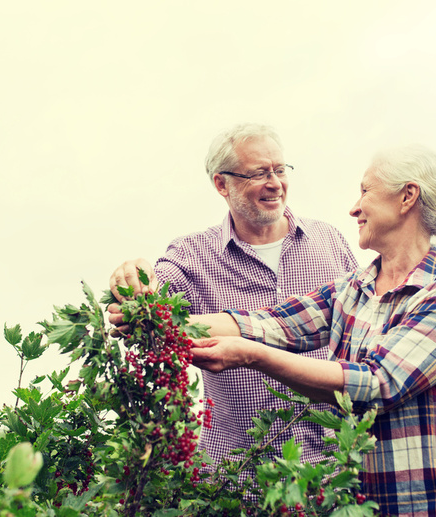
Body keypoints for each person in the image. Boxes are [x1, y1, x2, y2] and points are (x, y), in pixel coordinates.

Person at [190, 144, 436, 516]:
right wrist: (158, 320)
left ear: (407, 197)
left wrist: (252, 355)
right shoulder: (352, 291)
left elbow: (376, 384)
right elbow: (270, 323)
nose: (354, 207)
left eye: (365, 191)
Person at [108, 123, 358, 470]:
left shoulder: (329, 241)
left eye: (280, 170)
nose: (275, 183)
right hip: (237, 480)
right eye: (258, 173)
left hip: (332, 471)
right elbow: (154, 295)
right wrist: (134, 283)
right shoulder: (192, 254)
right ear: (221, 184)